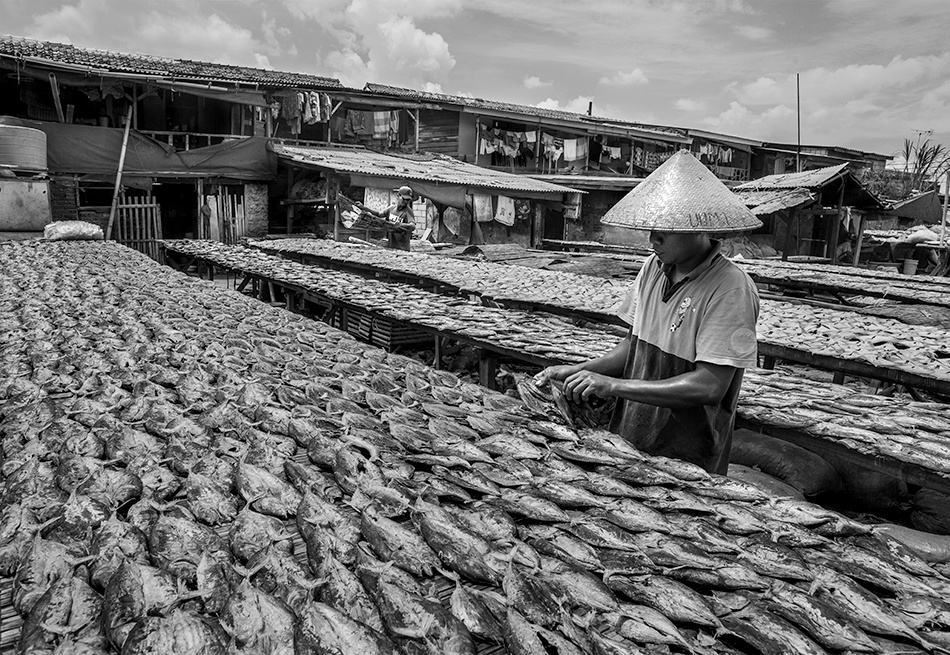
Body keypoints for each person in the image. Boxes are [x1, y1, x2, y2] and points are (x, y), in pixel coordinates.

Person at [535, 150, 761, 475]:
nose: (652, 237)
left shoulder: (731, 288)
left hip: (687, 457)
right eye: (652, 225)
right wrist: (577, 370)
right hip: (630, 436)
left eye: (665, 228)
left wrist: (612, 387)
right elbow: (632, 346)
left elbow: (709, 386)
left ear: (697, 228)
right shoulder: (653, 268)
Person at [355, 185, 416, 251]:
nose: (406, 202)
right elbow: (379, 214)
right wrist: (364, 208)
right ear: (398, 196)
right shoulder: (391, 209)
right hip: (391, 246)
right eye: (404, 199)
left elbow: (412, 226)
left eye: (408, 200)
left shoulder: (408, 212)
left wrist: (401, 225)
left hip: (403, 248)